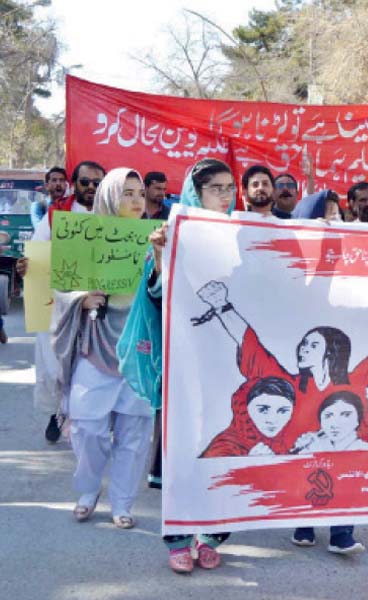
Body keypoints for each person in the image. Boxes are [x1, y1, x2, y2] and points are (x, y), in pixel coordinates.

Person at [191, 281, 368, 554]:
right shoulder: (287, 383)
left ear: (330, 353)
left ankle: (340, 534)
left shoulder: (354, 383)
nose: (302, 348)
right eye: (303, 343)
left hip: (339, 464)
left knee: (346, 464)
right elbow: (251, 346)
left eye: (312, 344)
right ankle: (302, 526)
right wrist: (222, 305)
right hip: (295, 467)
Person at [117, 158, 237, 574]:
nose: (226, 196)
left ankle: (213, 533)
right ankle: (180, 538)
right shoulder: (171, 235)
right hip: (184, 367)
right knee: (183, 452)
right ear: (196, 193)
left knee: (224, 447)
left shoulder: (246, 236)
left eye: (229, 187)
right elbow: (153, 296)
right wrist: (158, 252)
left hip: (228, 367)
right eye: (216, 188)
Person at [50, 168, 151, 531]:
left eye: (140, 192)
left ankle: (122, 502)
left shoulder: (157, 238)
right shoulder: (85, 234)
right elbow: (61, 285)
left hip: (140, 349)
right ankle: (88, 490)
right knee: (88, 427)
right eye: (126, 193)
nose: (137, 200)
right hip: (97, 343)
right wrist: (81, 298)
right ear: (109, 196)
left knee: (135, 431)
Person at [17, 160, 106, 443]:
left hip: (102, 305)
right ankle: (58, 413)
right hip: (63, 303)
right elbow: (39, 253)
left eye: (97, 183)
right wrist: (26, 267)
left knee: (95, 363)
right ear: (74, 184)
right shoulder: (57, 214)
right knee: (59, 360)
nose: (91, 188)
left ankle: (89, 419)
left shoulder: (115, 214)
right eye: (85, 182)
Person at [201, 376, 296, 457]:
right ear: (246, 410)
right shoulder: (224, 446)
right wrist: (248, 464)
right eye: (263, 410)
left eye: (283, 411)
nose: (272, 420)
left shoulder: (281, 444)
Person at [298, 391, 368, 453]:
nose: (334, 424)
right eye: (328, 416)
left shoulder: (365, 450)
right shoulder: (313, 447)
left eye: (346, 415)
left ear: (358, 419)